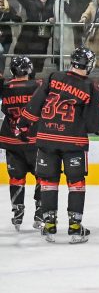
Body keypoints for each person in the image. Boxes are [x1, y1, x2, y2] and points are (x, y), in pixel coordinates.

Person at [17, 47, 99, 242]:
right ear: (89, 65)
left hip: (47, 138)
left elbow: (36, 103)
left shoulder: (53, 77)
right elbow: (94, 125)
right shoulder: (92, 87)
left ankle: (49, 225)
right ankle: (75, 227)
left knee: (48, 183)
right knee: (76, 184)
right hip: (73, 142)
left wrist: (23, 124)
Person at [1, 56, 41, 230]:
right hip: (33, 139)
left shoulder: (5, 87)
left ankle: (17, 212)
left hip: (11, 139)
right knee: (43, 177)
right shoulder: (38, 86)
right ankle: (41, 211)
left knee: (16, 178)